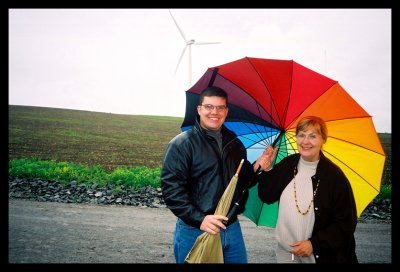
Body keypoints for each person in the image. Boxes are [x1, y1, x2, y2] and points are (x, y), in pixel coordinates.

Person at [160, 86, 257, 263]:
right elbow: (171, 190)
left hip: (231, 228)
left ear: (226, 111)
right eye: (209, 106)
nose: (215, 112)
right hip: (196, 229)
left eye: (220, 107)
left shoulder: (235, 143)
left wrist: (258, 166)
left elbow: (242, 181)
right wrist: (200, 219)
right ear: (199, 109)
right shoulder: (182, 144)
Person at [254, 116, 358, 263]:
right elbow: (267, 196)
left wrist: (314, 243)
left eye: (312, 136)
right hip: (286, 253)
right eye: (301, 135)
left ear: (323, 140)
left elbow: (346, 224)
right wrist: (268, 169)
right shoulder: (288, 164)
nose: (305, 142)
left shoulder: (335, 178)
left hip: (318, 254)